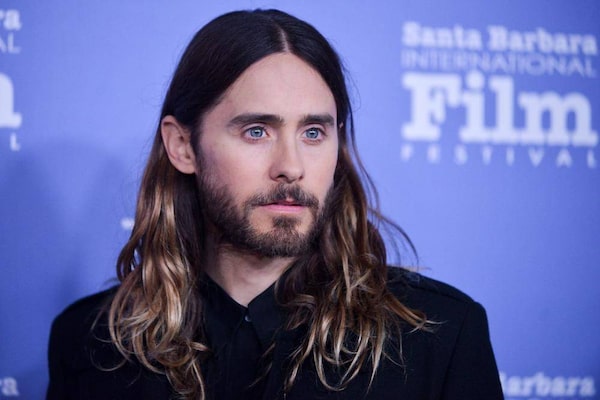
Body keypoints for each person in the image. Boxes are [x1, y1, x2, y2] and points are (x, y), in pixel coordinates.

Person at [47, 9, 503, 400]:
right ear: (183, 146)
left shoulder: (438, 336)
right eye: (257, 131)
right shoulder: (92, 344)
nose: (291, 167)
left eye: (313, 133)